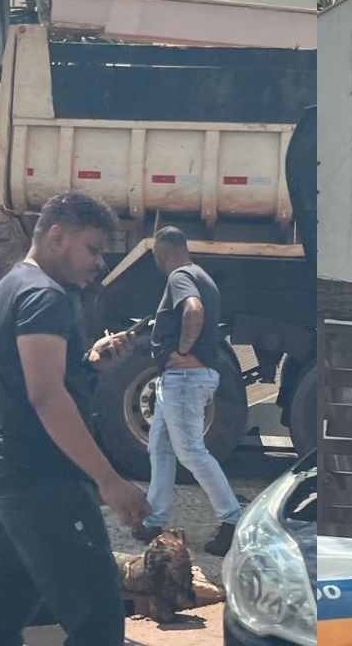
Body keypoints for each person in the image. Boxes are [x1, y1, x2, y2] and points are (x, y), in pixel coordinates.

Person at [0, 192, 149, 646]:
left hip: (5, 480)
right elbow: (46, 396)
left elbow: (33, 380)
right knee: (99, 624)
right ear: (56, 236)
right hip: (46, 487)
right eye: (93, 249)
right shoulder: (45, 297)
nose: (100, 262)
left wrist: (87, 363)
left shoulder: (13, 286)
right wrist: (108, 479)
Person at [131, 226, 242, 556]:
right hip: (181, 381)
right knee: (161, 448)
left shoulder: (179, 276)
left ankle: (233, 520)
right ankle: (155, 520)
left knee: (191, 451)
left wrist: (181, 349)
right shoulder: (201, 275)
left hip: (184, 380)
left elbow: (192, 310)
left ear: (162, 253)